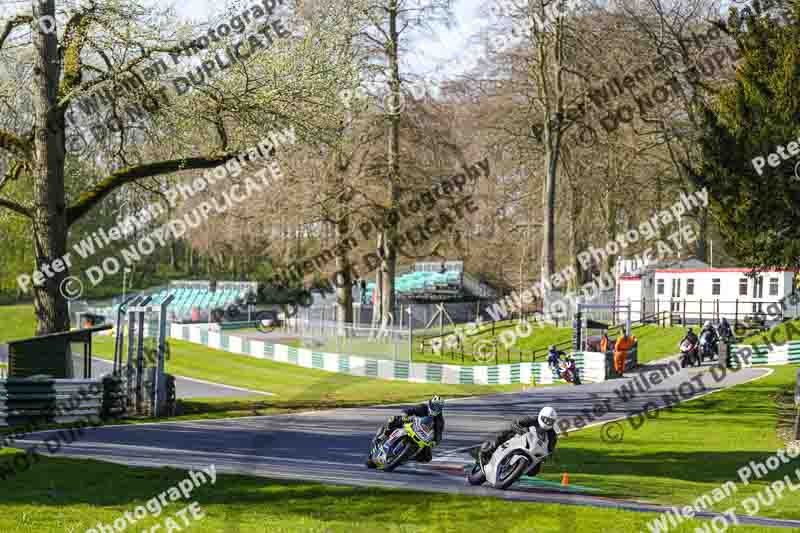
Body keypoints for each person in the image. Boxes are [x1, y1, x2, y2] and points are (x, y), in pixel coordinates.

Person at [367, 395, 445, 468]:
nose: (436, 408)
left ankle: (405, 457)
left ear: (441, 408)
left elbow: (438, 435)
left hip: (422, 436)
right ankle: (383, 436)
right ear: (430, 404)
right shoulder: (423, 407)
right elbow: (409, 410)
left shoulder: (439, 420)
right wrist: (405, 414)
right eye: (435, 406)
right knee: (394, 419)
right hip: (411, 424)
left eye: (438, 407)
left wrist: (434, 442)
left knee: (427, 458)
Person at [476, 407, 559, 473]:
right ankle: (487, 450)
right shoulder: (532, 420)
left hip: (533, 451)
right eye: (545, 419)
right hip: (519, 440)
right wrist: (522, 431)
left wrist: (546, 457)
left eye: (550, 421)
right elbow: (515, 424)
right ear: (540, 416)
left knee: (535, 470)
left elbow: (550, 449)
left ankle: (516, 471)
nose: (547, 422)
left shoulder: (552, 435)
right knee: (507, 433)